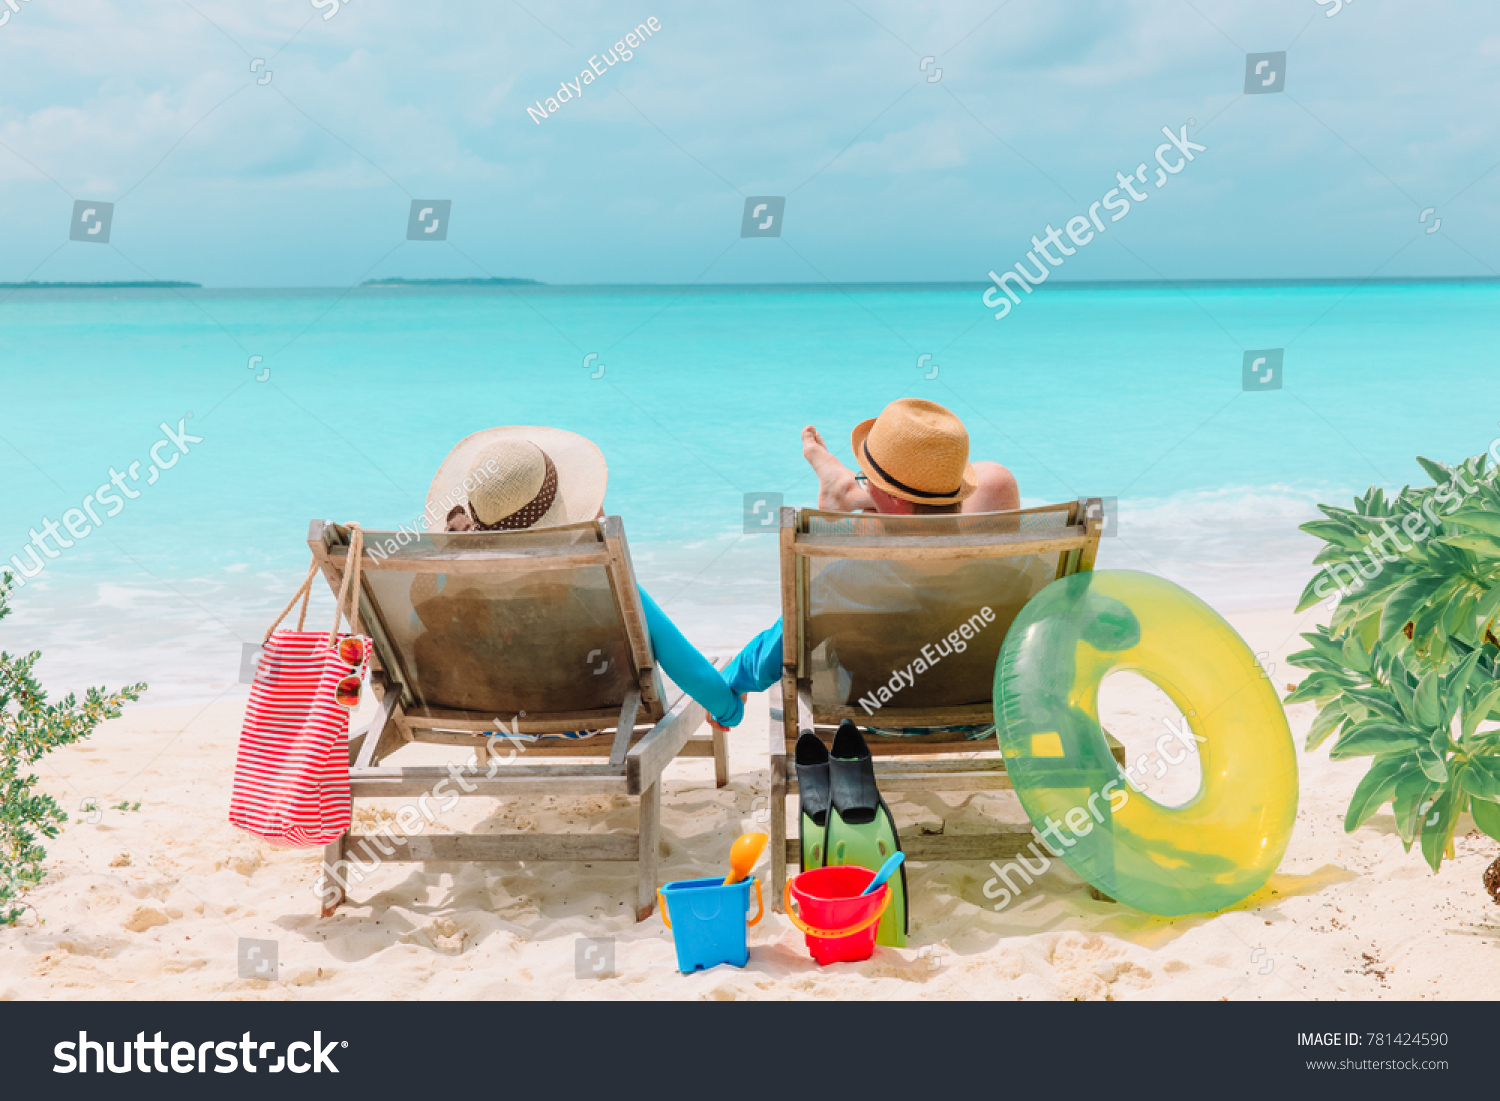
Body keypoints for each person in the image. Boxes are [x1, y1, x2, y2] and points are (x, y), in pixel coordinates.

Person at [722, 399, 1031, 738]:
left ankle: (846, 497)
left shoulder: (844, 580)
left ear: (894, 501)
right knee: (995, 480)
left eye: (866, 481)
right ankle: (849, 494)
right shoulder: (1020, 568)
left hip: (883, 714)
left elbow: (776, 653)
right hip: (985, 716)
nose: (869, 482)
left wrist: (731, 682)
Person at [417, 426, 745, 736]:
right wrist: (728, 707)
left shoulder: (457, 584)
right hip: (583, 716)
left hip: (490, 718)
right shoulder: (596, 580)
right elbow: (680, 659)